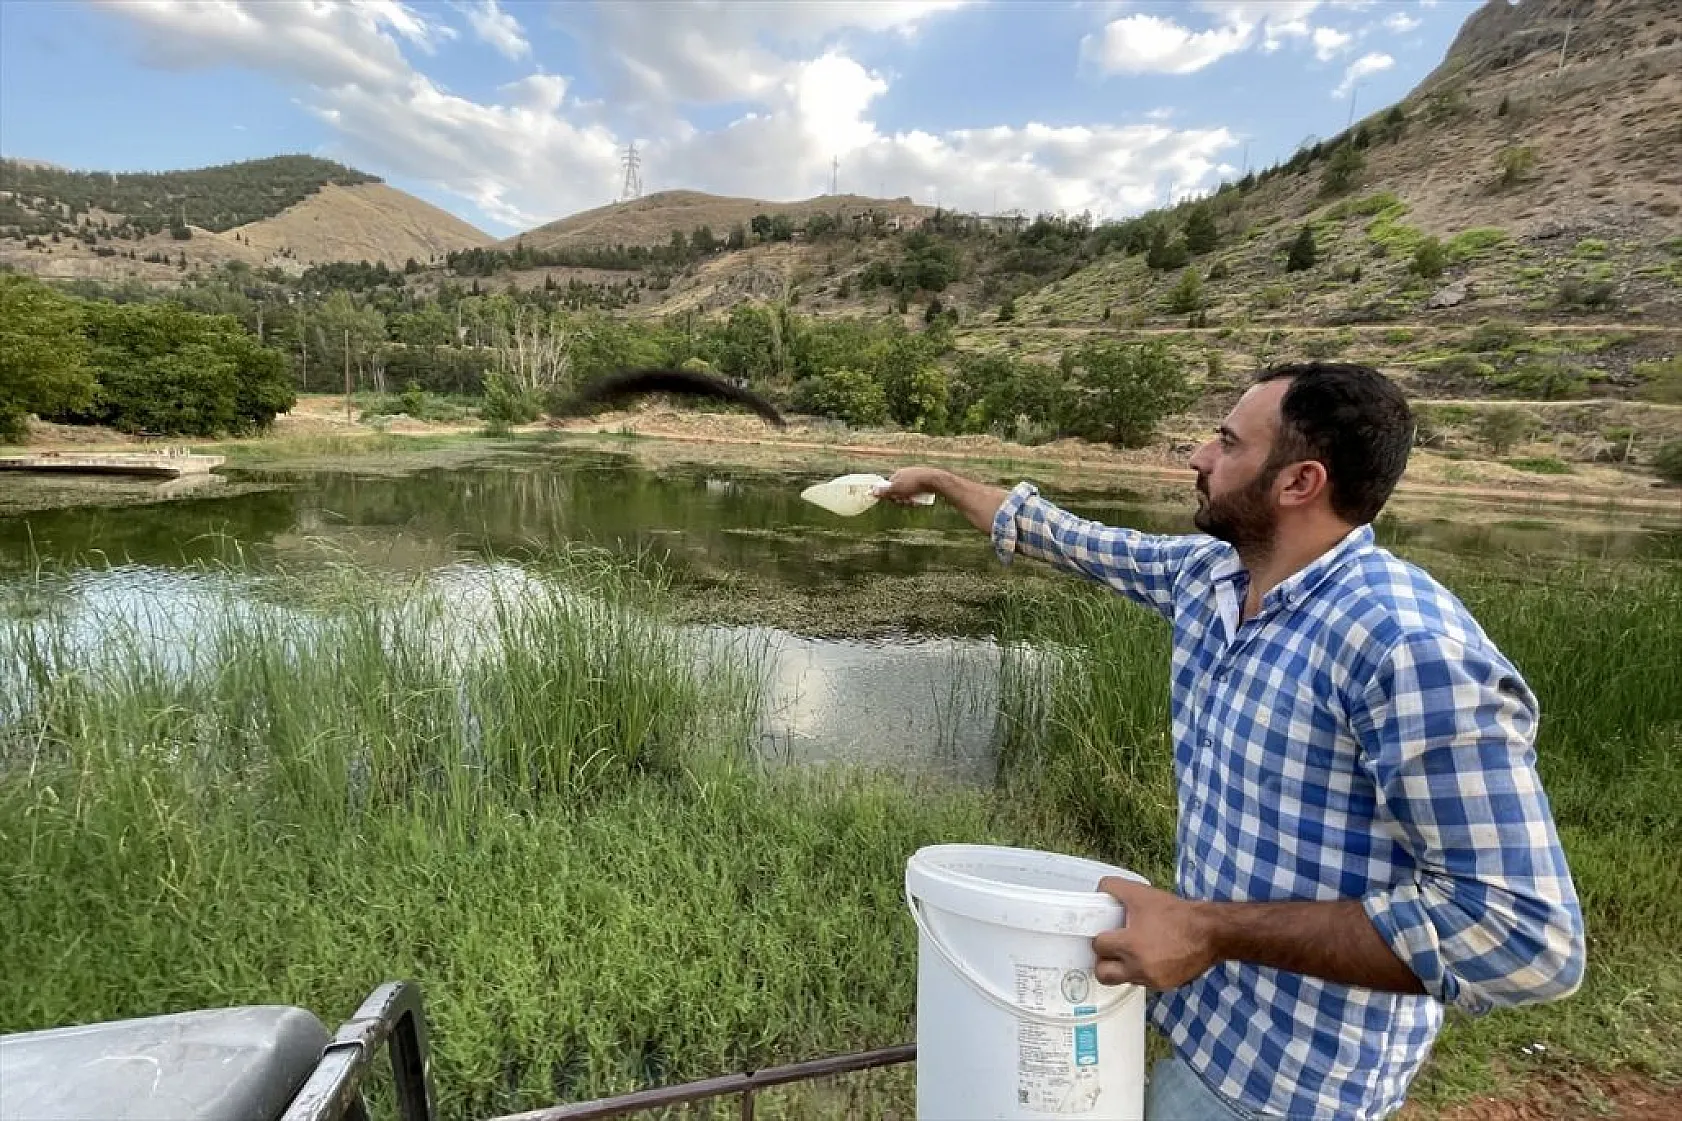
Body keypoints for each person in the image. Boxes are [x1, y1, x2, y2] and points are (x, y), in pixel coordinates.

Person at [875, 362, 1585, 1120]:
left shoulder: (1406, 646)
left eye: (1228, 442)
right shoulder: (1213, 576)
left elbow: (1524, 935)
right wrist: (943, 481)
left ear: (1299, 482)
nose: (1199, 456)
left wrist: (1210, 930)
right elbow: (1065, 537)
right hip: (1199, 1029)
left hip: (1294, 1089)